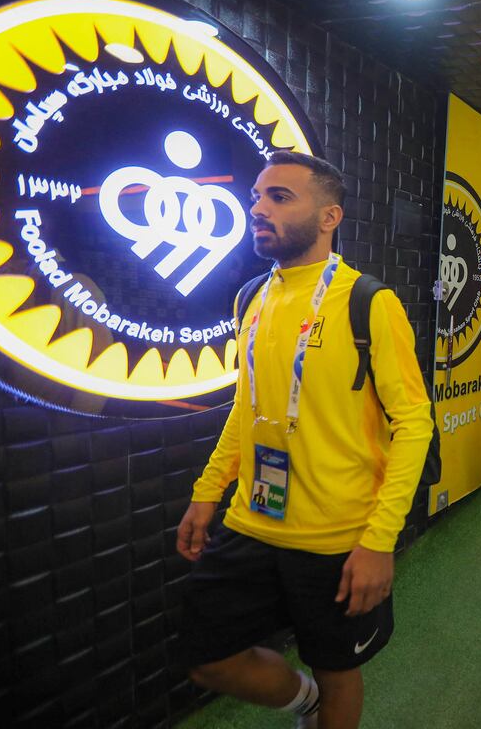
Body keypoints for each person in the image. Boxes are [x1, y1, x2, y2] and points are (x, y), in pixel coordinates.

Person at [176, 151, 434, 729]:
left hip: (338, 537)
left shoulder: (368, 302)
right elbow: (248, 408)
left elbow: (414, 423)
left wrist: (379, 540)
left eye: (280, 198)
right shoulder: (251, 298)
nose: (258, 209)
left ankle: (325, 698)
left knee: (337, 666)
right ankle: (305, 702)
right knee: (206, 658)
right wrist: (207, 489)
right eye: (256, 198)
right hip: (250, 519)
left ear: (329, 217)